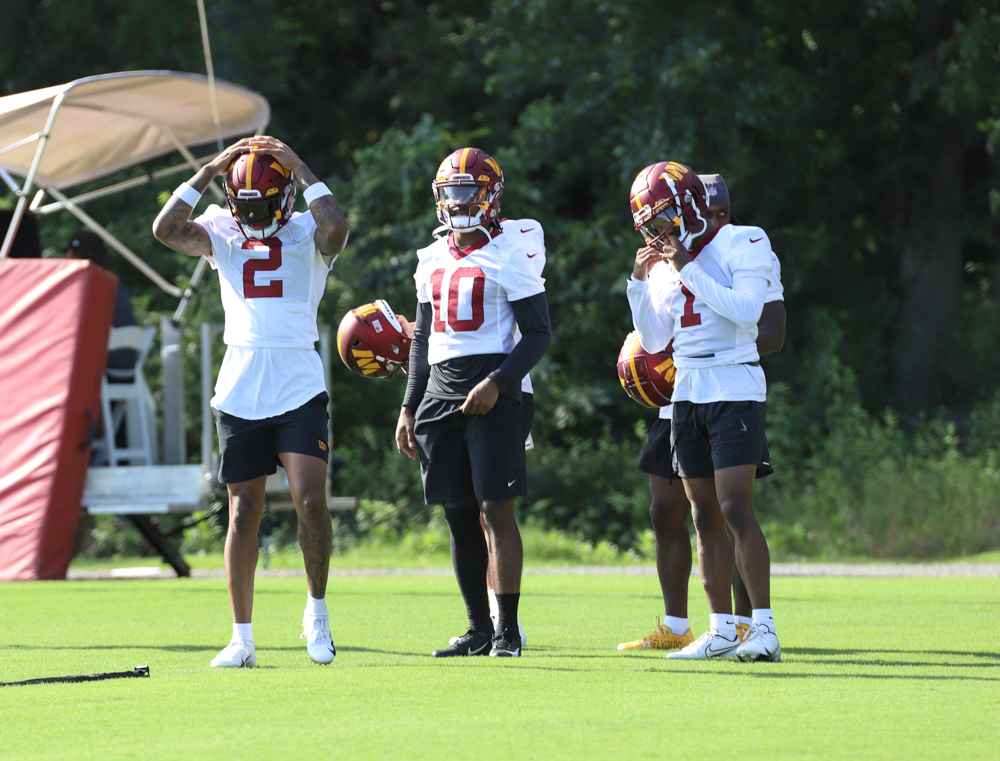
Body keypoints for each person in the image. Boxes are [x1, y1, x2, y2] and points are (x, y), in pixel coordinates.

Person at [152, 135, 349, 667]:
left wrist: (302, 166)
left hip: (297, 380)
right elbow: (165, 229)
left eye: (263, 204)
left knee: (310, 498)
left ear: (285, 197)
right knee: (244, 511)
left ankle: (317, 614)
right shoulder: (221, 226)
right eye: (245, 205)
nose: (253, 215)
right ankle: (242, 637)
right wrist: (211, 168)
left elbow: (336, 228)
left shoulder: (309, 226)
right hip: (240, 382)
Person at [617, 173, 785, 651]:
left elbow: (750, 311)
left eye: (665, 216)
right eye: (650, 223)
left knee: (734, 505)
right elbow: (653, 338)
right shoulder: (666, 262)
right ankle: (721, 629)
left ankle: (765, 629)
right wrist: (638, 280)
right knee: (703, 514)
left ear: (690, 205)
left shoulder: (742, 241)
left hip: (734, 380)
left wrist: (687, 267)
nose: (660, 230)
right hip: (688, 389)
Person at [395, 147, 551, 658]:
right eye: (451, 193)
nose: (459, 203)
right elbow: (421, 339)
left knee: (495, 509)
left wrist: (499, 383)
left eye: (468, 192)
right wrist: (408, 405)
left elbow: (538, 333)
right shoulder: (430, 256)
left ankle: (507, 631)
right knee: (457, 513)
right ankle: (478, 628)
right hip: (440, 388)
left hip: (493, 386)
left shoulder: (512, 249)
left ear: (491, 196)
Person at [66, 231, 139, 379]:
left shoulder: (86, 285)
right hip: (129, 371)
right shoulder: (115, 284)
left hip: (104, 373)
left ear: (74, 254)